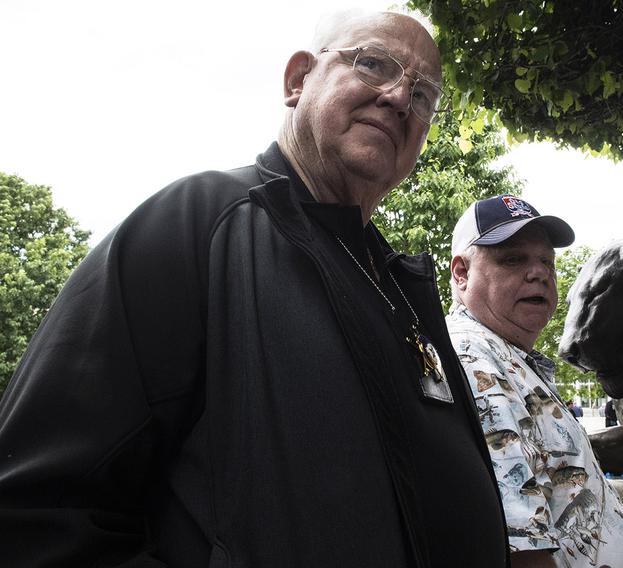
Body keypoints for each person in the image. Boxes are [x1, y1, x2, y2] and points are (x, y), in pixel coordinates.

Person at [0, 11, 509, 567]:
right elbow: (37, 511)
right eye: (373, 63)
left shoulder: (396, 284)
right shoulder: (196, 222)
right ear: (298, 81)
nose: (398, 97)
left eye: (423, 94)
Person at [446, 195, 623, 568]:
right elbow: (521, 545)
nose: (539, 273)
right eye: (512, 258)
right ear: (461, 273)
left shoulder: (507, 357)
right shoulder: (472, 358)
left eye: (546, 262)